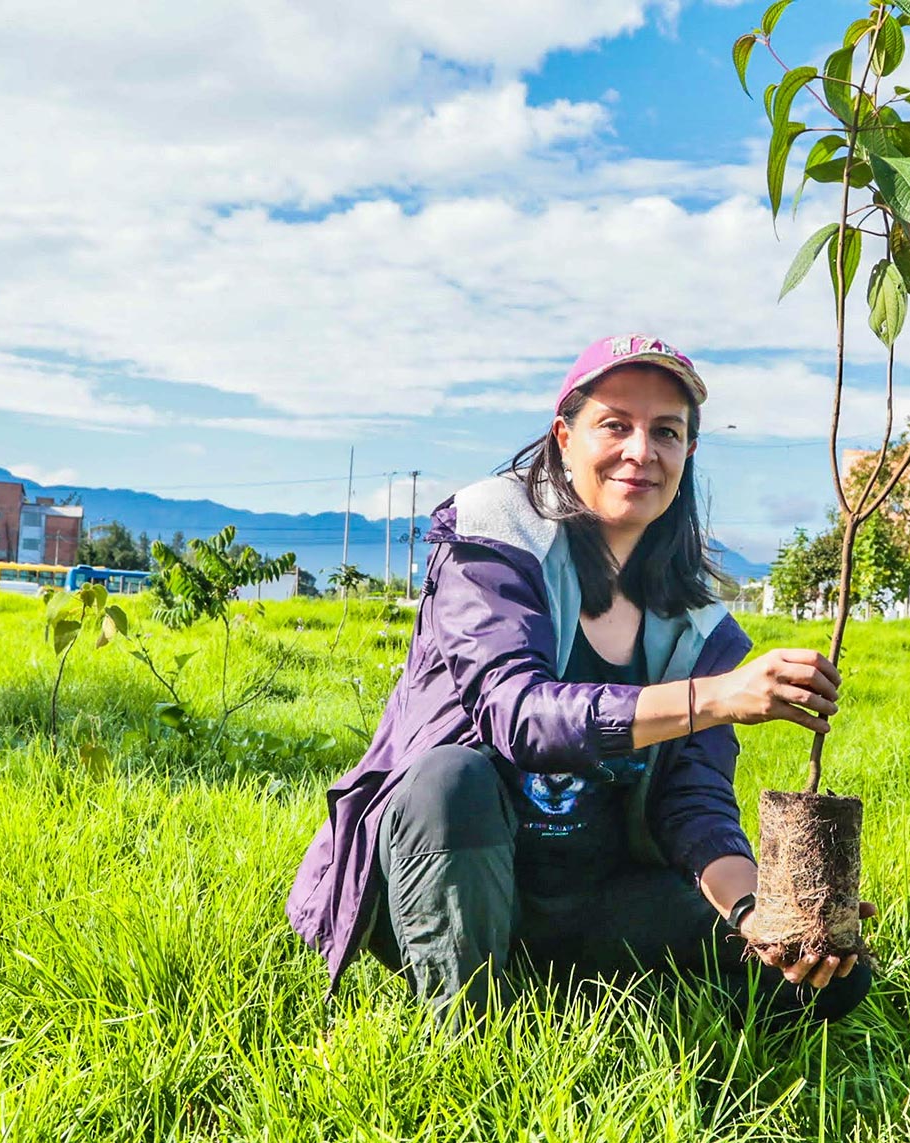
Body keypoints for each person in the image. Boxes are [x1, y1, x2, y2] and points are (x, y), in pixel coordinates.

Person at [288, 334, 873, 1025]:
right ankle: (462, 1025)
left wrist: (762, 911)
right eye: (615, 425)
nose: (641, 450)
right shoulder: (494, 543)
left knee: (827, 978)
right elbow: (516, 712)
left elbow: (694, 802)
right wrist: (719, 698)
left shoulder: (699, 629)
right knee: (450, 779)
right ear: (564, 437)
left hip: (592, 895)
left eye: (667, 432)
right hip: (454, 873)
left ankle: (572, 974)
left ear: (687, 454)